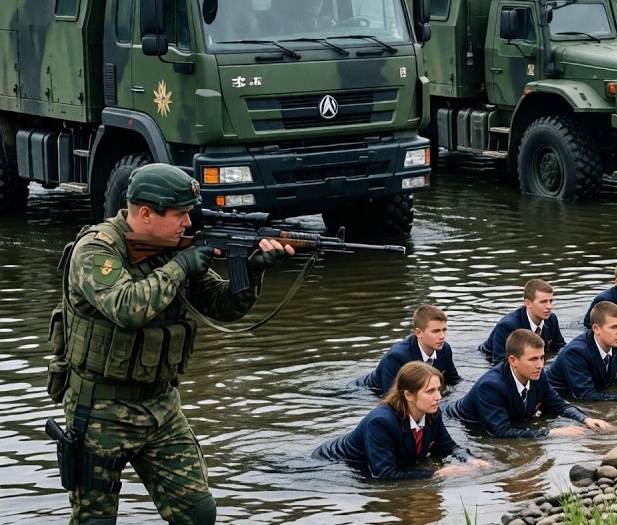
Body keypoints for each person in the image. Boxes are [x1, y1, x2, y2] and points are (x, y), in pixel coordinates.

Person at [53, 163, 292, 524]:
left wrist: (253, 271)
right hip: (99, 407)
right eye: (180, 214)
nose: (187, 223)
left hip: (160, 407)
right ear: (146, 214)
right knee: (94, 520)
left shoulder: (171, 247)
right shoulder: (97, 249)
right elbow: (126, 308)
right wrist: (181, 265)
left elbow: (222, 307)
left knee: (198, 513)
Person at [313, 362, 488, 480]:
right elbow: (384, 474)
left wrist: (470, 460)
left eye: (438, 390)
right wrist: (435, 474)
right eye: (430, 391)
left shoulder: (433, 413)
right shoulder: (380, 422)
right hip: (330, 463)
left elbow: (448, 447)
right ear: (408, 395)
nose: (438, 397)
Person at [448, 330, 613, 438]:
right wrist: (553, 432)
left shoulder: (538, 375)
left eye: (541, 357)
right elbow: (500, 432)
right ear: (513, 360)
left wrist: (586, 419)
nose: (540, 365)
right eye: (533, 359)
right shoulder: (490, 387)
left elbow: (559, 406)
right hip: (456, 423)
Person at [354, 304, 461, 397]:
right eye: (436, 331)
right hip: (363, 392)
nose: (442, 336)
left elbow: (454, 381)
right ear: (418, 333)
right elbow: (391, 399)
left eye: (444, 330)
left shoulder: (444, 349)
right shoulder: (396, 358)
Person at [479, 279, 566, 365]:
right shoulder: (507, 326)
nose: (549, 307)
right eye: (543, 302)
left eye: (551, 301)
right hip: (485, 359)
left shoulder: (552, 319)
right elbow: (501, 364)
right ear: (528, 303)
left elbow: (560, 347)